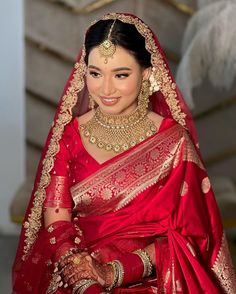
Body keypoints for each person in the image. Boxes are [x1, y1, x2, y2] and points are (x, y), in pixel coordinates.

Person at [12, 12, 236, 294]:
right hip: (78, 270)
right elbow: (57, 215)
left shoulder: (174, 142)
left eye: (120, 74)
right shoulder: (70, 135)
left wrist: (114, 272)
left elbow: (192, 236)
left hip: (156, 277)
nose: (105, 89)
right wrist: (81, 274)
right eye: (95, 73)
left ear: (147, 75)